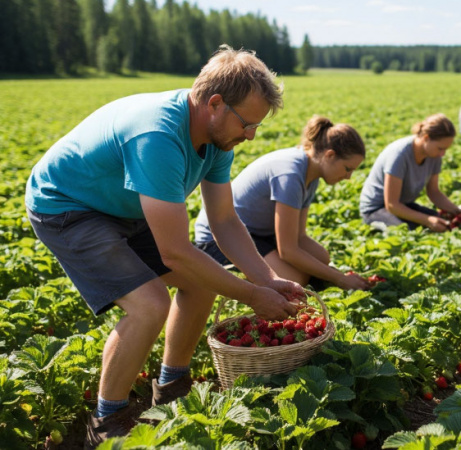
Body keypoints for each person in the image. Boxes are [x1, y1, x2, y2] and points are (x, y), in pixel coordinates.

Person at [25, 45, 305, 448]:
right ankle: (107, 420)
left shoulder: (215, 140)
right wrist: (251, 295)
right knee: (150, 304)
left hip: (126, 204)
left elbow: (225, 221)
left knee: (204, 281)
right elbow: (174, 252)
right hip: (69, 205)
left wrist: (268, 280)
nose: (251, 135)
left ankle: (172, 385)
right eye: (247, 124)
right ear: (215, 103)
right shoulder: (158, 135)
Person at [194, 115, 371, 291]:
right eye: (347, 169)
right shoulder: (291, 175)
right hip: (220, 237)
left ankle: (259, 269)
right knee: (295, 278)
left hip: (256, 232)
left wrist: (331, 271)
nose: (348, 177)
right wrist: (339, 279)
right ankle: (235, 279)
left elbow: (299, 237)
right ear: (329, 155)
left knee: (321, 257)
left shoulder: (311, 173)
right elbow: (288, 250)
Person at [360, 113, 461, 232]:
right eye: (440, 148)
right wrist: (427, 220)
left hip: (404, 205)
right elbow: (392, 205)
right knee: (408, 232)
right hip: (377, 209)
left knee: (445, 223)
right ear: (426, 137)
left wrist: (457, 211)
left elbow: (434, 192)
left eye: (445, 149)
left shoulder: (434, 156)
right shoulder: (399, 156)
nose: (443, 154)